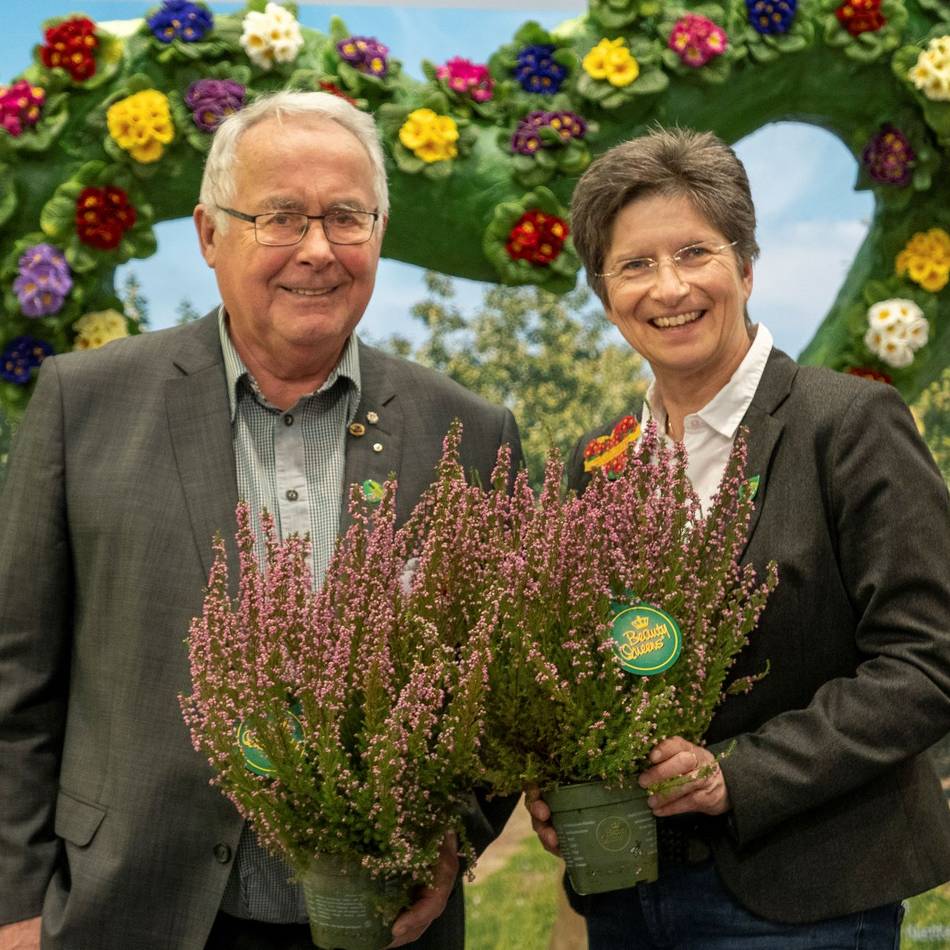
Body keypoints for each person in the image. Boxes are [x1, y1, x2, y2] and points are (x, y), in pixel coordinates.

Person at [0, 91, 521, 950]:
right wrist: (15, 909)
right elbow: (17, 682)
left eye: (347, 218)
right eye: (280, 216)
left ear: (380, 233)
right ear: (210, 234)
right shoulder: (81, 405)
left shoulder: (469, 434)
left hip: (379, 922)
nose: (317, 249)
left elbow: (501, 686)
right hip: (126, 907)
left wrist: (452, 837)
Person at [527, 127, 950, 948]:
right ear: (605, 292)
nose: (669, 287)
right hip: (628, 893)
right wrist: (560, 776)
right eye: (635, 264)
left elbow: (928, 660)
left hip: (805, 900)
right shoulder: (596, 462)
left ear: (746, 266)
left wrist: (736, 775)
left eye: (695, 252)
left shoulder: (848, 426)